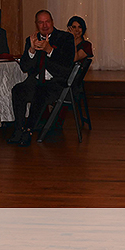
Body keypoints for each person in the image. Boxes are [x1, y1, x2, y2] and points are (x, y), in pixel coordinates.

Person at [7, 10, 75, 147]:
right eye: (41, 22)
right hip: (36, 80)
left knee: (41, 91)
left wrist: (49, 50)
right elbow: (25, 67)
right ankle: (18, 130)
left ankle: (28, 131)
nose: (44, 26)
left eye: (47, 22)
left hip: (56, 82)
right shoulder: (32, 40)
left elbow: (67, 63)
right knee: (18, 90)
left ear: (52, 22)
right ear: (36, 24)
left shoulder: (65, 38)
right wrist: (31, 51)